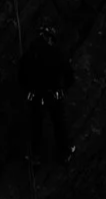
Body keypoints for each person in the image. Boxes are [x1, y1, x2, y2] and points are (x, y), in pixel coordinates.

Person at [19, 31, 75, 163]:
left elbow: (21, 73)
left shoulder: (31, 52)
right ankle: (64, 152)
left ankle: (35, 155)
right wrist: (63, 89)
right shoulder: (56, 53)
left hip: (36, 95)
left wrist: (27, 90)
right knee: (59, 123)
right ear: (50, 38)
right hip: (53, 94)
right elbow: (69, 74)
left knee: (36, 125)